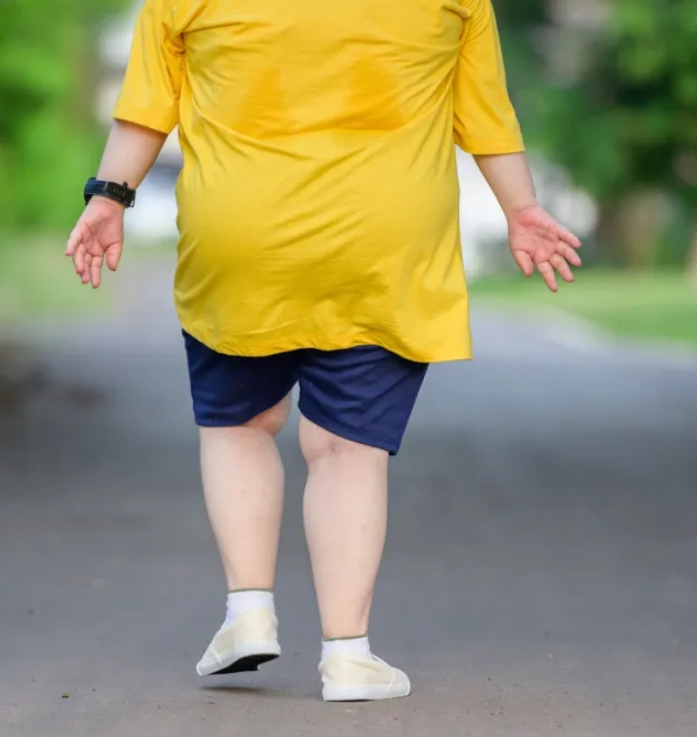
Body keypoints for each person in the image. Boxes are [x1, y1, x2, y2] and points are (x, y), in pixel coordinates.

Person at [65, 0, 581, 702]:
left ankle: (247, 612)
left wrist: (108, 198)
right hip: (383, 242)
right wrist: (521, 209)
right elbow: (485, 114)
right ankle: (347, 655)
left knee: (240, 423)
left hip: (242, 236)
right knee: (347, 447)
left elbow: (146, 108)